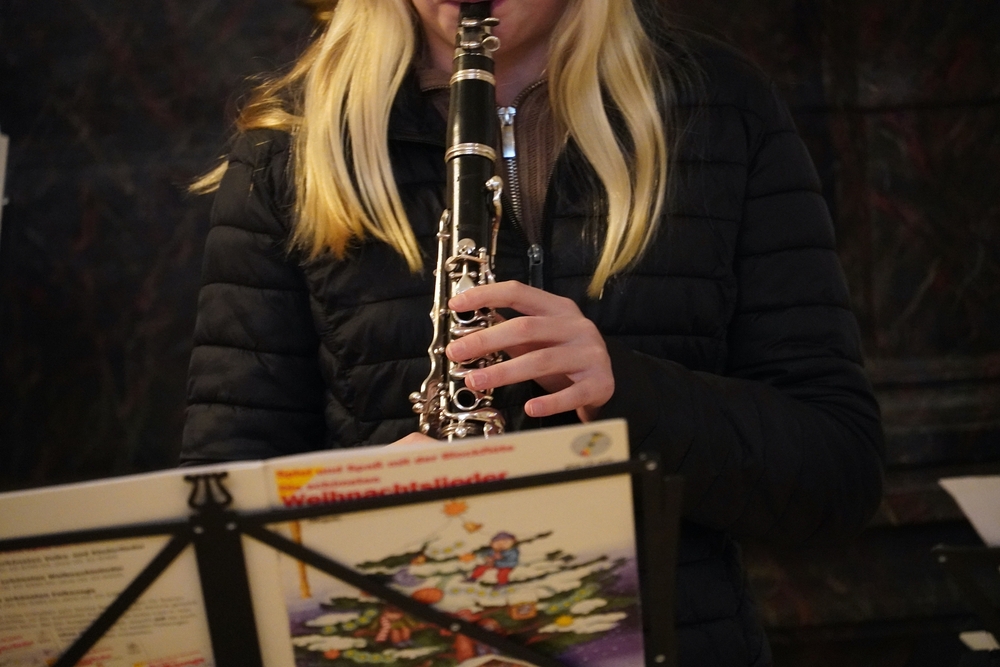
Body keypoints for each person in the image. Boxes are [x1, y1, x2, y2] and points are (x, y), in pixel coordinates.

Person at [181, 0, 885, 665]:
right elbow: (221, 512)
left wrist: (628, 394)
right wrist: (360, 505)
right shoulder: (291, 147)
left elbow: (838, 476)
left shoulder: (718, 108)